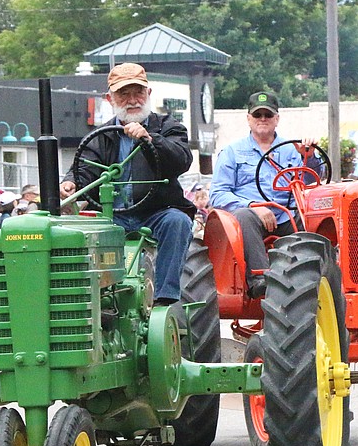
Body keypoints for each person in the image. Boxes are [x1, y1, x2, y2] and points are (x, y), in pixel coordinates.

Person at [61, 62, 195, 305]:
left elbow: (181, 160)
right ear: (110, 98)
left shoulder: (168, 127)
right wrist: (70, 184)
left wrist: (149, 139)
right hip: (113, 216)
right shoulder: (101, 136)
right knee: (75, 233)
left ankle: (165, 300)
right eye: (124, 94)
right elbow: (84, 170)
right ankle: (91, 301)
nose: (132, 100)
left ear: (148, 94)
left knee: (178, 222)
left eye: (138, 92)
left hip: (156, 212)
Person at [210, 90, 323, 299]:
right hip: (250, 217)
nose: (263, 119)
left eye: (268, 115)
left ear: (277, 119)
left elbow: (310, 183)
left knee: (313, 221)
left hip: (285, 215)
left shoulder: (292, 150)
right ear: (248, 119)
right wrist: (254, 205)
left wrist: (310, 156)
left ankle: (318, 282)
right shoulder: (232, 152)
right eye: (257, 115)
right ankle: (259, 279)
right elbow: (217, 194)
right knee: (244, 216)